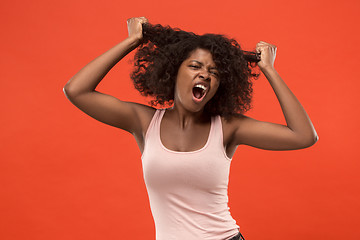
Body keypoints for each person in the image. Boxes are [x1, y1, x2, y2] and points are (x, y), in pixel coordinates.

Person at [63, 17, 318, 240]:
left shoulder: (227, 128)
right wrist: (132, 41)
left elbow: (304, 136)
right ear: (174, 72)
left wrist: (269, 70)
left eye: (214, 72)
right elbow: (76, 90)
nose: (205, 75)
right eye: (195, 66)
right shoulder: (144, 122)